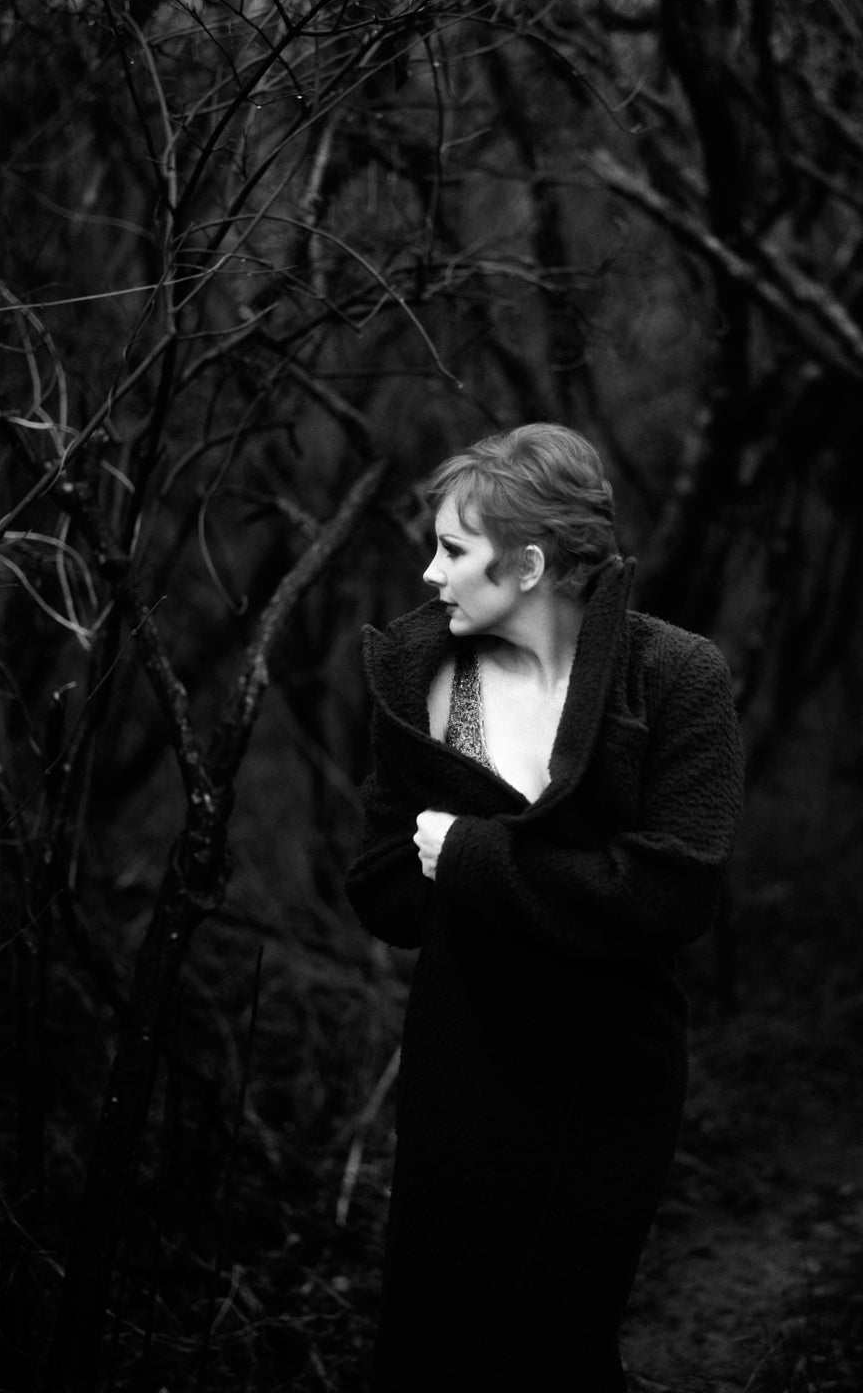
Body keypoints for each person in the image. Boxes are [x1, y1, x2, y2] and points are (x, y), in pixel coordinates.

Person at [345, 423, 745, 1392]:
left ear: (527, 564)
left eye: (454, 549)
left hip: (612, 1069)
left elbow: (670, 891)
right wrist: (542, 889)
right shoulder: (422, 683)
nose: (431, 574)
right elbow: (382, 886)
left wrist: (475, 856)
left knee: (559, 1343)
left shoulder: (676, 676)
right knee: (437, 1347)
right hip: (464, 1063)